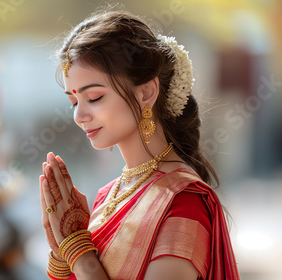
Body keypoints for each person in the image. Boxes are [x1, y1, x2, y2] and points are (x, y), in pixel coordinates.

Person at [38, 10, 240, 280]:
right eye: (74, 103)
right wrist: (62, 251)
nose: (79, 116)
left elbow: (86, 265)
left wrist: (78, 251)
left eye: (94, 97)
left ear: (146, 92)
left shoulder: (184, 202)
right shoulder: (108, 195)